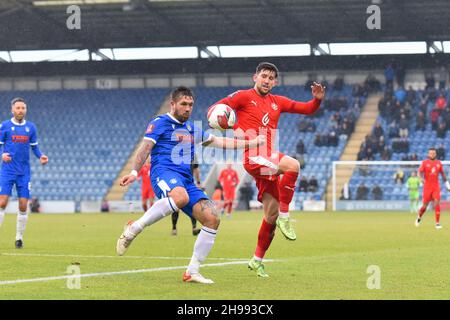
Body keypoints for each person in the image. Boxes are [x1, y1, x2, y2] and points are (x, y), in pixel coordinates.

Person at [116, 86, 265, 284]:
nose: (188, 108)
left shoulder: (193, 128)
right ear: (173, 104)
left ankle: (192, 271)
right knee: (180, 197)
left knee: (212, 219)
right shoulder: (160, 123)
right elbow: (145, 148)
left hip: (186, 180)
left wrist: (251, 143)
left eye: (191, 105)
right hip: (164, 172)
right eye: (183, 104)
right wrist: (135, 172)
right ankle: (134, 228)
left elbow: (219, 142)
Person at [211, 62, 325, 277]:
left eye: (271, 78)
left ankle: (257, 260)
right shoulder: (243, 97)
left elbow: (307, 109)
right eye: (264, 76)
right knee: (293, 165)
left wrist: (317, 100)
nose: (267, 80)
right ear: (255, 77)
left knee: (269, 217)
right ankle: (286, 215)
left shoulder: (277, 102)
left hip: (267, 163)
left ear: (276, 82)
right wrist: (234, 128)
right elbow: (214, 110)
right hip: (254, 156)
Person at [0, 98, 48, 249]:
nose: (20, 110)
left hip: (24, 173)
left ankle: (19, 238)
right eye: (18, 108)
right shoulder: (5, 126)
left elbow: (34, 147)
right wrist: (2, 155)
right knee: (2, 202)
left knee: (22, 205)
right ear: (12, 110)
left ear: (25, 110)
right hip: (7, 171)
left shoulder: (31, 127)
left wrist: (41, 156)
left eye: (23, 108)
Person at [415, 148, 450, 229]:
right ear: (428, 154)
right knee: (425, 206)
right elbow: (419, 172)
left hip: (436, 187)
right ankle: (419, 217)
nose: (432, 155)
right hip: (427, 187)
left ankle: (437, 223)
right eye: (431, 153)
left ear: (436, 154)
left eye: (433, 153)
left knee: (437, 202)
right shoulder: (424, 163)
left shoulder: (439, 163)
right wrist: (420, 179)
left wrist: (447, 184)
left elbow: (443, 175)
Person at [171, 153, 201, 236]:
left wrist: (198, 182)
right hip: (179, 183)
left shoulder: (191, 153)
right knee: (179, 206)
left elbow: (196, 169)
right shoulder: (175, 152)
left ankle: (192, 227)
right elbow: (196, 169)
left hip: (185, 183)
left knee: (191, 205)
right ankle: (175, 227)